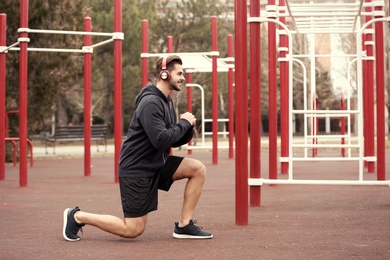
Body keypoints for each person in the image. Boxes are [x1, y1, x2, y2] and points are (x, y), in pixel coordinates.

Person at [63, 55, 213, 241]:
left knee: (197, 169)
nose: (183, 78)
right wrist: (183, 123)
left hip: (156, 163)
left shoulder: (166, 101)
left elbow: (170, 140)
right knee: (132, 230)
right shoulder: (150, 103)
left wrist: (187, 129)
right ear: (164, 75)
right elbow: (160, 140)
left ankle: (184, 226)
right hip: (137, 169)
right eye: (179, 73)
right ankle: (77, 216)